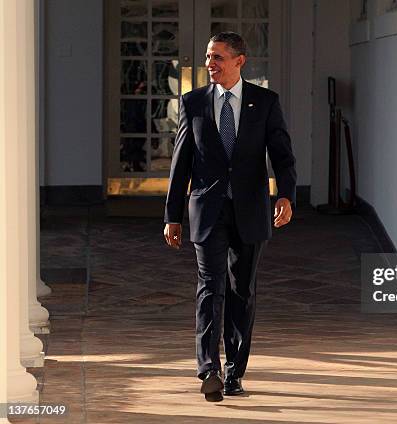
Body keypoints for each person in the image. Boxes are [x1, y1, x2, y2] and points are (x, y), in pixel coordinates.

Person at [163, 32, 297, 402]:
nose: (210, 64)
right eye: (208, 57)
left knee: (243, 290)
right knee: (211, 286)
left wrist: (285, 194)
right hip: (207, 210)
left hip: (251, 211)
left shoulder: (265, 103)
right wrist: (172, 215)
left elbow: (283, 156)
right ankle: (208, 369)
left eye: (218, 57)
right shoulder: (193, 104)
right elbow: (181, 164)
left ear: (240, 61)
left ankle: (235, 373)